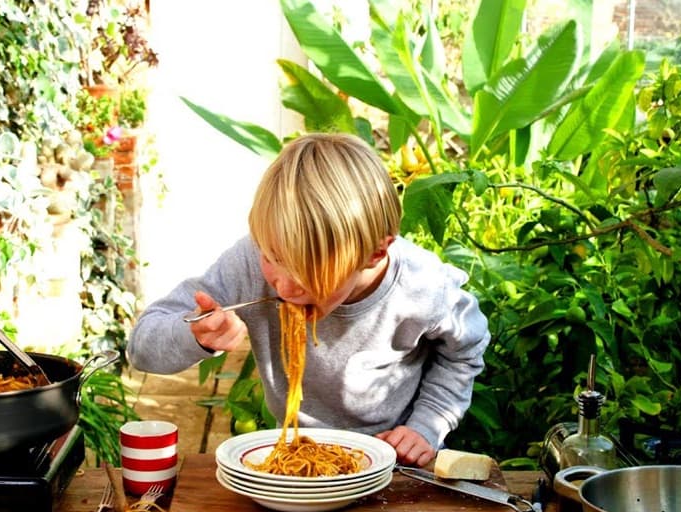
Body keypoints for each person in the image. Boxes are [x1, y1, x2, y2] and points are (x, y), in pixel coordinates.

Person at [127, 132, 490, 467]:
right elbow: (142, 348)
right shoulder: (251, 261)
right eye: (273, 258)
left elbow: (464, 351)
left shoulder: (422, 285)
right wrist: (196, 334)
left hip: (394, 465)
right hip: (292, 458)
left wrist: (426, 426)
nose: (284, 286)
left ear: (374, 254)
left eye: (308, 272)